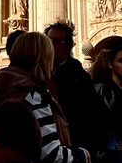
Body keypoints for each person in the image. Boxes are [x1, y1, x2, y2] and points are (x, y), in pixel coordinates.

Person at [0, 31, 94, 163]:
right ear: (43, 58)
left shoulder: (2, 87)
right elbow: (51, 157)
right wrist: (81, 156)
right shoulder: (33, 96)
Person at [45, 20, 110, 155]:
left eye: (56, 42)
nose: (49, 45)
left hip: (74, 144)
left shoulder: (78, 75)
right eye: (47, 41)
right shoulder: (40, 72)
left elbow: (94, 112)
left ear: (67, 47)